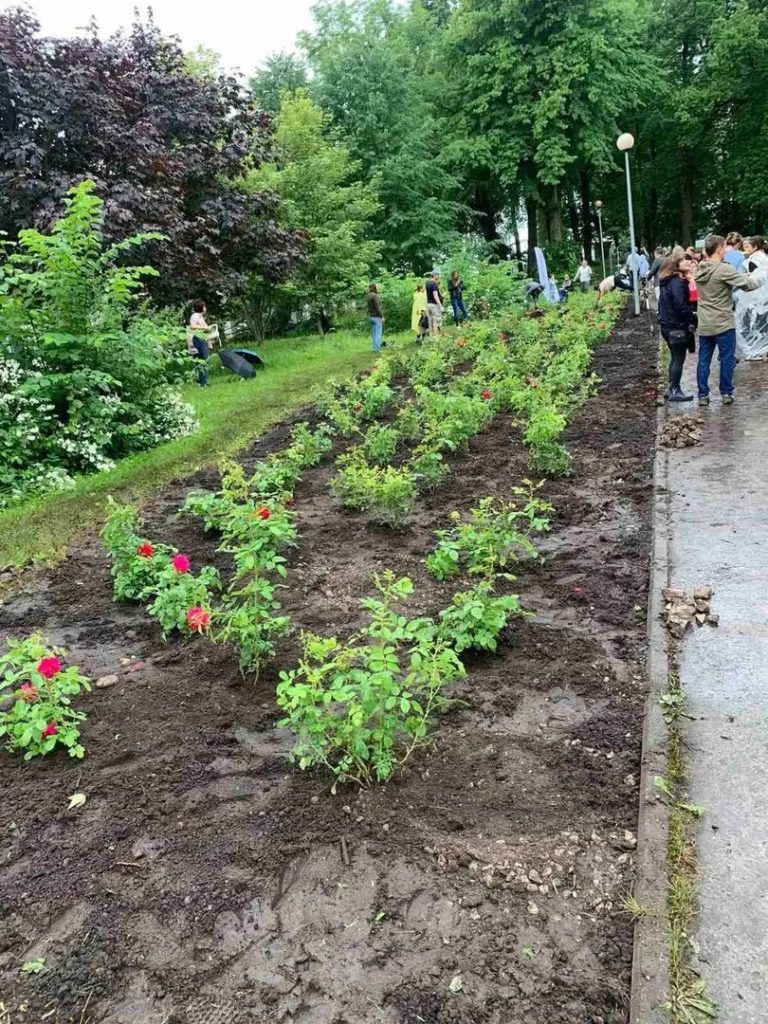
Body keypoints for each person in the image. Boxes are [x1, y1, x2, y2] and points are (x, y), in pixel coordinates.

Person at [694, 234, 759, 405]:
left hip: (705, 323)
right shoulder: (724, 269)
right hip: (723, 322)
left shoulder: (700, 268)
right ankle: (726, 393)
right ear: (719, 249)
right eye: (723, 247)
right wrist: (759, 277)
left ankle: (702, 395)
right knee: (726, 358)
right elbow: (747, 285)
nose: (725, 251)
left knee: (703, 360)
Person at [657, 254, 697, 402]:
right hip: (676, 326)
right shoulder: (678, 283)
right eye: (683, 260)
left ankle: (671, 387)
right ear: (675, 265)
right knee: (679, 359)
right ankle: (675, 389)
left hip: (667, 325)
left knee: (674, 358)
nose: (688, 262)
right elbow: (681, 306)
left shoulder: (666, 281)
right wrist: (693, 316)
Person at [735, 236, 768, 360]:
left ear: (755, 247)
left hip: (756, 299)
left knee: (752, 325)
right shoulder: (763, 257)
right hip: (762, 298)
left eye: (748, 246)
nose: (745, 248)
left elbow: (753, 279)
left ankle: (754, 350)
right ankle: (760, 349)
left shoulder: (754, 260)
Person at [187, 299, 213, 387]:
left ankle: (201, 381)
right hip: (198, 339)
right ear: (201, 307)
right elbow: (193, 326)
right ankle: (203, 382)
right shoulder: (196, 315)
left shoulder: (200, 316)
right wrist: (205, 328)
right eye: (204, 306)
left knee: (200, 361)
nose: (205, 308)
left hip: (201, 338)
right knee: (203, 361)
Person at [367, 283, 384, 352]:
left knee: (374, 333)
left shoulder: (368, 295)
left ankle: (374, 348)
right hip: (377, 317)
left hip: (371, 316)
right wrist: (382, 316)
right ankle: (377, 348)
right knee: (378, 333)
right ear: (375, 288)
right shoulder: (375, 296)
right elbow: (378, 307)